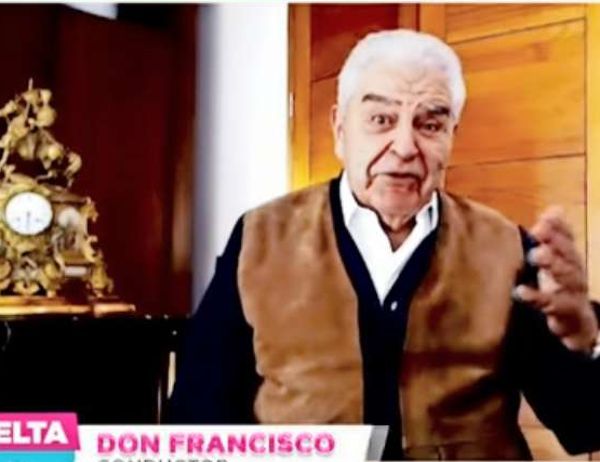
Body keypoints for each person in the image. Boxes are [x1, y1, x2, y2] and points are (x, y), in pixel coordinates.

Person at [169, 29, 600, 460]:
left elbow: (585, 424)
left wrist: (587, 339)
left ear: (451, 136)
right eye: (381, 120)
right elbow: (197, 419)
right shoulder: (260, 238)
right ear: (340, 128)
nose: (405, 147)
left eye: (430, 124)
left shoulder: (506, 249)